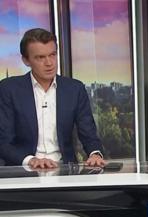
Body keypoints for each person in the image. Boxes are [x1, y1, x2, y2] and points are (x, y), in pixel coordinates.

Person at [0, 28, 105, 169]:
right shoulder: (9, 89)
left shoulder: (74, 89)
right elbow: (3, 141)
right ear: (26, 60)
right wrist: (31, 160)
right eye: (40, 57)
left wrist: (95, 154)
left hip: (64, 171)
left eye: (52, 55)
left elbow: (88, 133)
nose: (49, 63)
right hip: (24, 171)